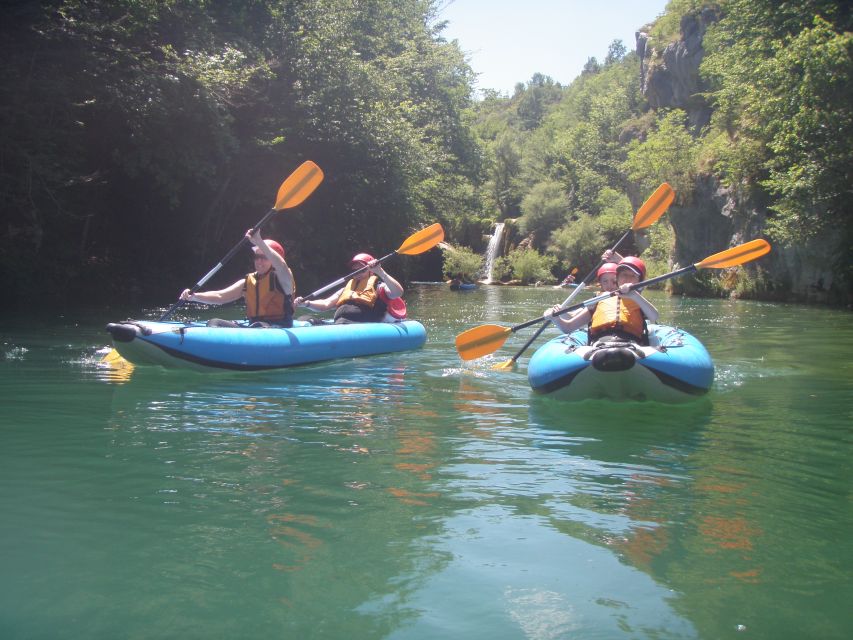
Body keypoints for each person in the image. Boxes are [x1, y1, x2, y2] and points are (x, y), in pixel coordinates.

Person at [179, 229, 295, 328]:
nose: (259, 261)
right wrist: (194, 297)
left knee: (258, 326)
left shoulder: (284, 279)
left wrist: (259, 241)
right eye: (257, 257)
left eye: (264, 257)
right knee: (214, 322)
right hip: (254, 326)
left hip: (278, 327)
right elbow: (221, 296)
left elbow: (281, 266)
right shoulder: (248, 282)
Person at [544, 256, 659, 344]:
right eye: (624, 275)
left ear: (640, 282)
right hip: (600, 346)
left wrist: (634, 295)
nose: (627, 278)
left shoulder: (639, 300)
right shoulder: (599, 300)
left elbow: (654, 317)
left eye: (633, 276)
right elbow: (568, 327)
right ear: (617, 278)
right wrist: (555, 318)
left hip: (631, 345)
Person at [294, 253, 405, 324]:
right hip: (341, 324)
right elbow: (325, 304)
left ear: (371, 271)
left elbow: (398, 292)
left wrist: (380, 271)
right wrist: (307, 303)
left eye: (362, 270)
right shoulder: (345, 289)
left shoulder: (379, 287)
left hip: (358, 326)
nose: (357, 273)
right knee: (304, 319)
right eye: (354, 271)